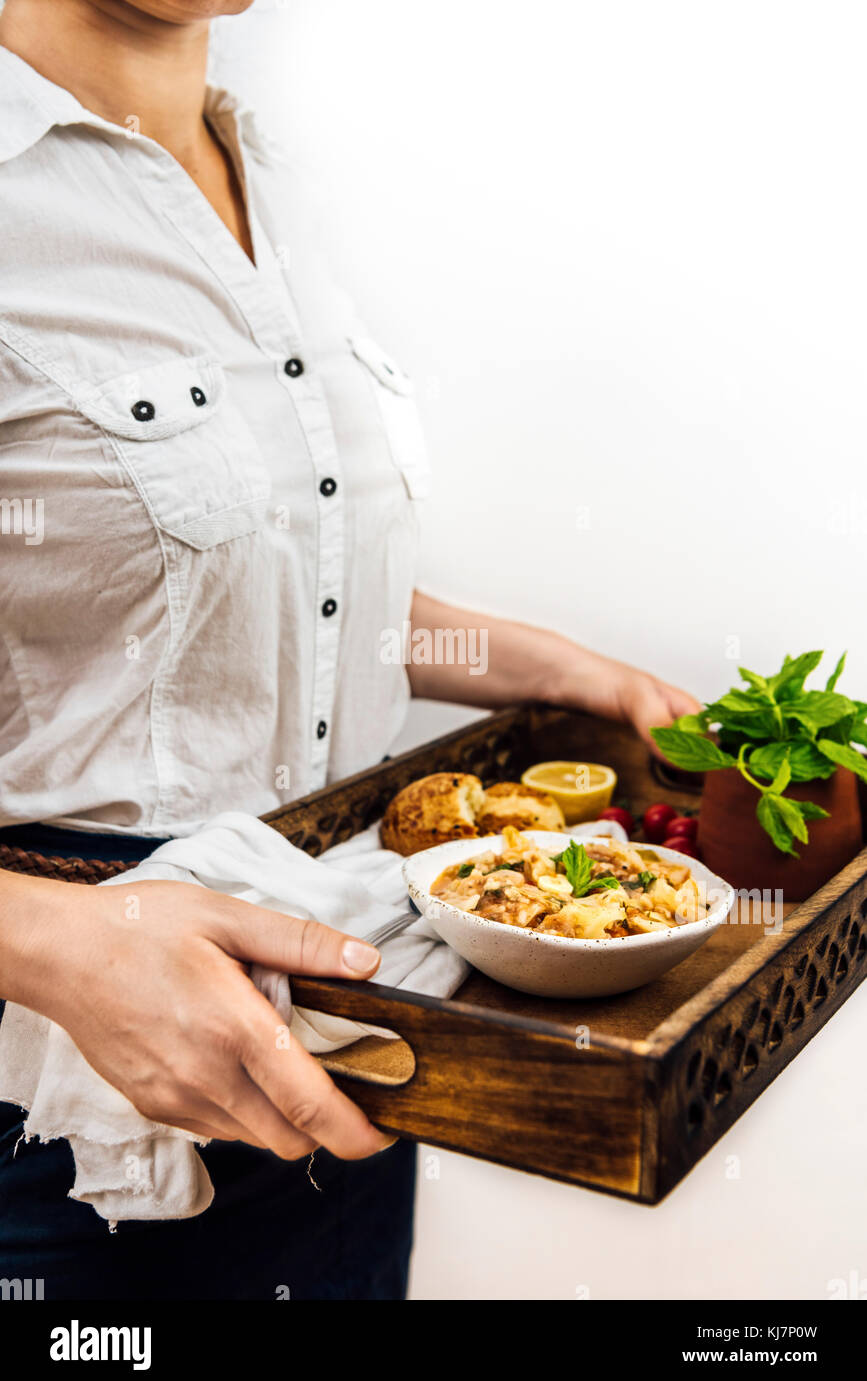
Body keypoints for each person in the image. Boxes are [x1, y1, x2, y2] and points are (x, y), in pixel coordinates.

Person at [0, 0, 700, 1300]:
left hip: (354, 1028)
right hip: (53, 1108)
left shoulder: (269, 184)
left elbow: (274, 580)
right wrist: (49, 944)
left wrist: (562, 670)